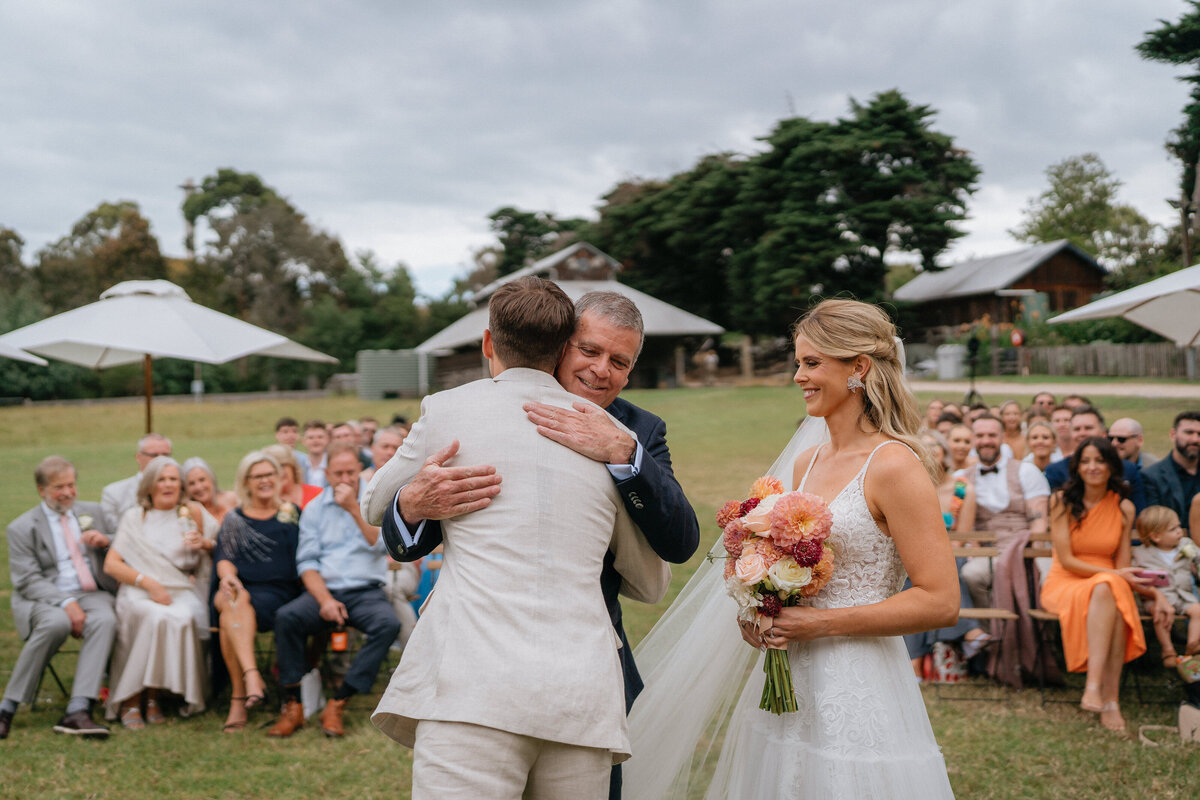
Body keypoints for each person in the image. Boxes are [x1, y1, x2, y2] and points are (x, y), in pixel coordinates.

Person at [371, 289, 701, 800]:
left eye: (619, 362)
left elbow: (679, 542)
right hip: (476, 665)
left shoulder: (635, 431)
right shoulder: (472, 415)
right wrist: (412, 504)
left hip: (586, 669)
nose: (600, 371)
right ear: (558, 344)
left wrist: (623, 455)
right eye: (589, 351)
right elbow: (407, 535)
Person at [623, 298, 959, 800]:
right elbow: (799, 574)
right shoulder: (806, 463)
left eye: (812, 363)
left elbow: (939, 599)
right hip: (792, 684)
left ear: (858, 368)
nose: (798, 375)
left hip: (859, 683)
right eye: (798, 362)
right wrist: (762, 610)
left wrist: (821, 624)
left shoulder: (894, 465)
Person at [267, 442, 401, 739]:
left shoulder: (376, 499)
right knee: (287, 618)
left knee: (387, 624)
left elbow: (382, 545)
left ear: (359, 471)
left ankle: (339, 701)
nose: (344, 479)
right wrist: (325, 600)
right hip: (325, 591)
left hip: (365, 590)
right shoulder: (314, 508)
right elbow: (307, 563)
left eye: (350, 472)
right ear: (326, 473)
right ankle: (292, 704)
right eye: (337, 473)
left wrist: (354, 508)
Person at [1039, 437, 1168, 733]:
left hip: (1109, 582)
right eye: (1085, 461)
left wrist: (1155, 593)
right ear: (1077, 467)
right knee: (1107, 586)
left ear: (1112, 466)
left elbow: (1121, 563)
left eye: (1099, 461)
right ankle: (1103, 694)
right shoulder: (1060, 500)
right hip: (1066, 581)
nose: (1092, 467)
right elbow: (1067, 560)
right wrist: (1114, 576)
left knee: (1107, 589)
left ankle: (1101, 693)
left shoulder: (1123, 507)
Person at [2, 456, 117, 739]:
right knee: (56, 624)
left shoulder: (94, 512)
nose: (67, 492)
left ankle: (79, 710)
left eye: (70, 485)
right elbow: (27, 580)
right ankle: (8, 707)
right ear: (42, 490)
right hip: (44, 596)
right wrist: (67, 603)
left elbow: (125, 537)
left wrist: (106, 540)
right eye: (58, 487)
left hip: (91, 591)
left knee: (105, 620)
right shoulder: (21, 527)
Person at [103, 456, 218, 727]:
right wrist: (149, 583)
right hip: (138, 589)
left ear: (181, 485)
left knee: (182, 616)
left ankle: (154, 696)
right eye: (161, 479)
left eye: (173, 479)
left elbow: (224, 545)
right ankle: (131, 698)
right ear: (150, 485)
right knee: (153, 615)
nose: (168, 485)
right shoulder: (136, 516)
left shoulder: (193, 512)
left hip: (180, 589)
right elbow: (112, 564)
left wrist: (204, 544)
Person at [211, 451, 303, 732]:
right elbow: (224, 556)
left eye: (269, 474)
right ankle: (251, 677)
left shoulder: (291, 514)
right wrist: (227, 577)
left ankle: (240, 696)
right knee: (230, 596)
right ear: (246, 482)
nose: (265, 480)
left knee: (228, 608)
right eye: (258, 476)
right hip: (243, 591)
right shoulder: (235, 518)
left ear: (278, 479)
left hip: (283, 594)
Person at [903, 431, 991, 678]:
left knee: (935, 575)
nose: (930, 453)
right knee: (913, 582)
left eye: (935, 448)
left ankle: (916, 664)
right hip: (917, 556)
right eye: (924, 448)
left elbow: (962, 537)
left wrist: (939, 557)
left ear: (944, 452)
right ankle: (968, 632)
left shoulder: (963, 489)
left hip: (954, 554)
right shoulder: (911, 487)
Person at [957, 415, 1050, 609]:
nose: (985, 441)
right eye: (980, 435)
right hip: (985, 552)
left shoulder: (1026, 471)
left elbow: (1038, 520)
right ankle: (991, 634)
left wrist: (1029, 553)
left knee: (1045, 577)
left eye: (992, 435)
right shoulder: (962, 478)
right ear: (973, 439)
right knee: (970, 575)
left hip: (1023, 548)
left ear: (1003, 438)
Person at [1131, 506, 1200, 667]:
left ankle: (1192, 646)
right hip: (1157, 598)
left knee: (1198, 610)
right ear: (1155, 537)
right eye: (1173, 529)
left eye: (1178, 526)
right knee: (1158, 612)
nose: (1179, 531)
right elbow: (1137, 578)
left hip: (1183, 596)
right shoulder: (1142, 554)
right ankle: (1168, 650)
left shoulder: (1186, 545)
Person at [1045, 406, 1146, 512]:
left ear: (1103, 434)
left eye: (1088, 428)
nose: (1082, 433)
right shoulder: (1055, 471)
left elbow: (1139, 515)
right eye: (1077, 429)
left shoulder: (1127, 469)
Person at [1143, 411, 1200, 536]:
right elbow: (1155, 525)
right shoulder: (1152, 476)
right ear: (1173, 434)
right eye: (1189, 432)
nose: (1195, 439)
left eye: (1199, 434)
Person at [100, 433, 172, 531]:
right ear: (139, 457)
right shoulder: (114, 493)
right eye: (154, 455)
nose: (160, 460)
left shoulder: (180, 490)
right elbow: (111, 533)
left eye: (165, 455)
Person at [263, 444, 322, 510]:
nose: (279, 472)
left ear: (293, 467)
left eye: (282, 466)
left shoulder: (318, 494)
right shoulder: (263, 500)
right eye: (273, 468)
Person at [182, 457, 238, 525]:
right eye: (191, 483)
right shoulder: (188, 513)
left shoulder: (231, 499)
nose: (199, 487)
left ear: (211, 479)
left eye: (202, 480)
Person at [300, 420, 330, 488]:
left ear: (327, 439)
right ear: (303, 441)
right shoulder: (298, 467)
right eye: (311, 438)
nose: (315, 441)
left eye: (320, 437)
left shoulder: (333, 465)